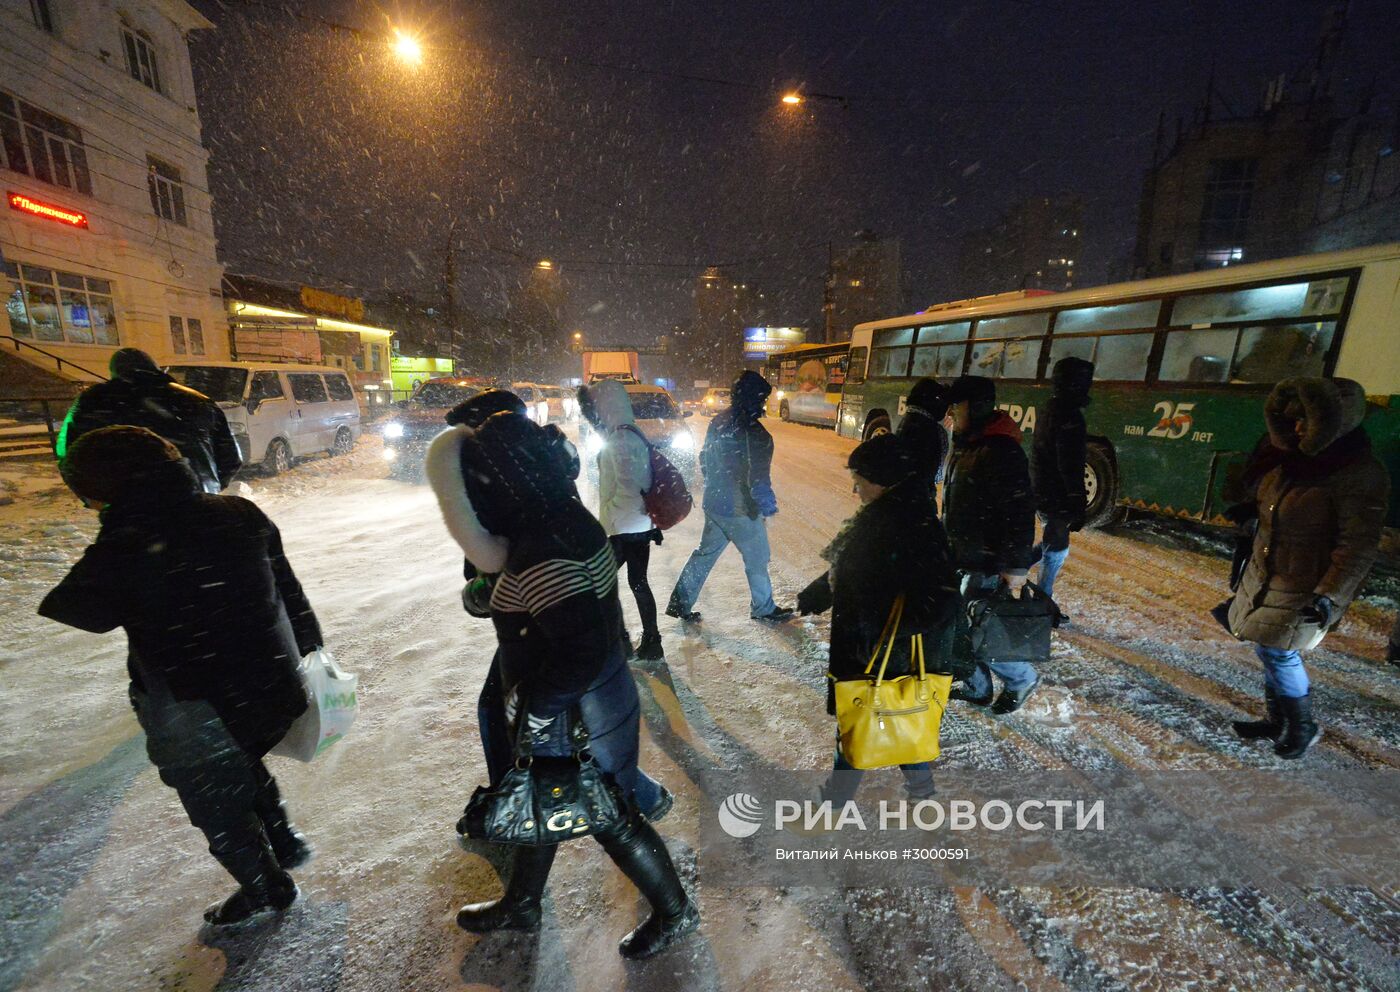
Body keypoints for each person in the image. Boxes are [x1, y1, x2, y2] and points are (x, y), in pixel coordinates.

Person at [426, 411, 698, 958]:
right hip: (595, 700)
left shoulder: (540, 548)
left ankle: (675, 913)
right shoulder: (565, 519)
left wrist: (538, 713)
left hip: (577, 715)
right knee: (543, 801)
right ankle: (523, 902)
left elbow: (577, 649)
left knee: (611, 818)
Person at [38, 427, 321, 928]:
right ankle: (281, 837)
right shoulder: (239, 513)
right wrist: (309, 648)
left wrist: (118, 526)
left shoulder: (127, 543)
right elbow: (290, 591)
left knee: (214, 798)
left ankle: (266, 888)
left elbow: (75, 608)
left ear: (107, 488)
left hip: (195, 702)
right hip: (268, 680)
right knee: (246, 760)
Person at [1225, 377, 1388, 759]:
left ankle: (1302, 726)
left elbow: (1358, 545)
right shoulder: (1291, 460)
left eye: (1306, 422)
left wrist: (1330, 596)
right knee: (1268, 648)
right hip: (1270, 571)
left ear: (1334, 422)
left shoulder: (1358, 472)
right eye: (1293, 420)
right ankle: (1277, 719)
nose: (1297, 428)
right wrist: (1252, 512)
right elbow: (1277, 504)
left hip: (1308, 582)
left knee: (1281, 652)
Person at [797, 434, 960, 804]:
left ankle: (835, 802)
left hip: (888, 654)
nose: (855, 490)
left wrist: (885, 633)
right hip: (874, 649)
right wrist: (821, 592)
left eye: (860, 481)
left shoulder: (911, 526)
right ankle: (921, 794)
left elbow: (941, 600)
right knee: (897, 719)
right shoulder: (883, 516)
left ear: (883, 480)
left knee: (862, 722)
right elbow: (857, 570)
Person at [941, 375, 1040, 714]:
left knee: (980, 627)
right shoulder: (970, 442)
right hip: (965, 552)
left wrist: (1015, 568)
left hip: (988, 557)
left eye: (958, 406)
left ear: (977, 406)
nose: (952, 413)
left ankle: (1021, 678)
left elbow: (1020, 511)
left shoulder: (1001, 449)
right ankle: (977, 685)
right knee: (960, 624)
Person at [667, 370, 792, 624]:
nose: (764, 404)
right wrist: (766, 508)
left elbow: (705, 458)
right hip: (740, 509)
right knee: (757, 558)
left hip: (715, 503)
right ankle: (763, 607)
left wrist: (715, 485)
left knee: (704, 554)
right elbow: (757, 478)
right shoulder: (756, 435)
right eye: (762, 398)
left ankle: (681, 602)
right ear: (754, 398)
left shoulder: (719, 422)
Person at [58, 348, 242, 495]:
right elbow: (231, 458)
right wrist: (208, 486)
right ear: (156, 369)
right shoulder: (198, 400)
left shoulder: (93, 401)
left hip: (129, 507)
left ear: (114, 372)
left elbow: (68, 454)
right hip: (199, 499)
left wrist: (94, 496)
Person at [588, 380, 665, 661]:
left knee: (599, 582)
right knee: (637, 582)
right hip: (637, 524)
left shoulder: (621, 438)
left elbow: (629, 486)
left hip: (624, 526)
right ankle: (650, 641)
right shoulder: (630, 431)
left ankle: (615, 643)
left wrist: (608, 514)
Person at [1030, 357, 1094, 600]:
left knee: (1051, 543)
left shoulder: (1052, 408)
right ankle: (1042, 601)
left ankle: (1015, 570)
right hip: (1056, 494)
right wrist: (1077, 500)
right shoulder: (1069, 416)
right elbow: (1070, 464)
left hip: (1044, 489)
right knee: (1057, 549)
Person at [895, 377, 952, 501]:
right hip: (920, 499)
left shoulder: (906, 421)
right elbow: (938, 474)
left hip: (901, 495)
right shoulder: (935, 430)